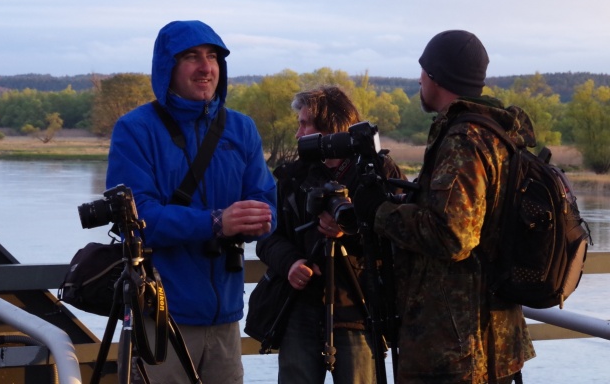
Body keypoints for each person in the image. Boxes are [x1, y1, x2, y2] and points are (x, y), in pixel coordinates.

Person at [353, 30, 536, 383]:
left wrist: (380, 210)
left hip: (456, 345)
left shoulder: (464, 139)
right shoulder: (496, 134)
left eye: (423, 70)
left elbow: (453, 235)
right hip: (490, 336)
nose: (419, 78)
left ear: (437, 77)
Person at [106, 20, 277, 384]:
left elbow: (266, 199)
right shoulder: (136, 129)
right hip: (161, 318)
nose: (206, 67)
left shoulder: (241, 128)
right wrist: (216, 223)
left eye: (213, 56)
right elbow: (135, 220)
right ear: (167, 67)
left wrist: (262, 219)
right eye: (191, 57)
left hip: (227, 320)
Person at [256, 85, 405, 384]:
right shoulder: (294, 176)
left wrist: (351, 230)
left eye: (304, 124)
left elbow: (402, 238)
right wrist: (292, 264)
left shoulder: (379, 172)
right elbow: (268, 236)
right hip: (300, 306)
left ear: (331, 126)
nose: (298, 135)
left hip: (360, 310)